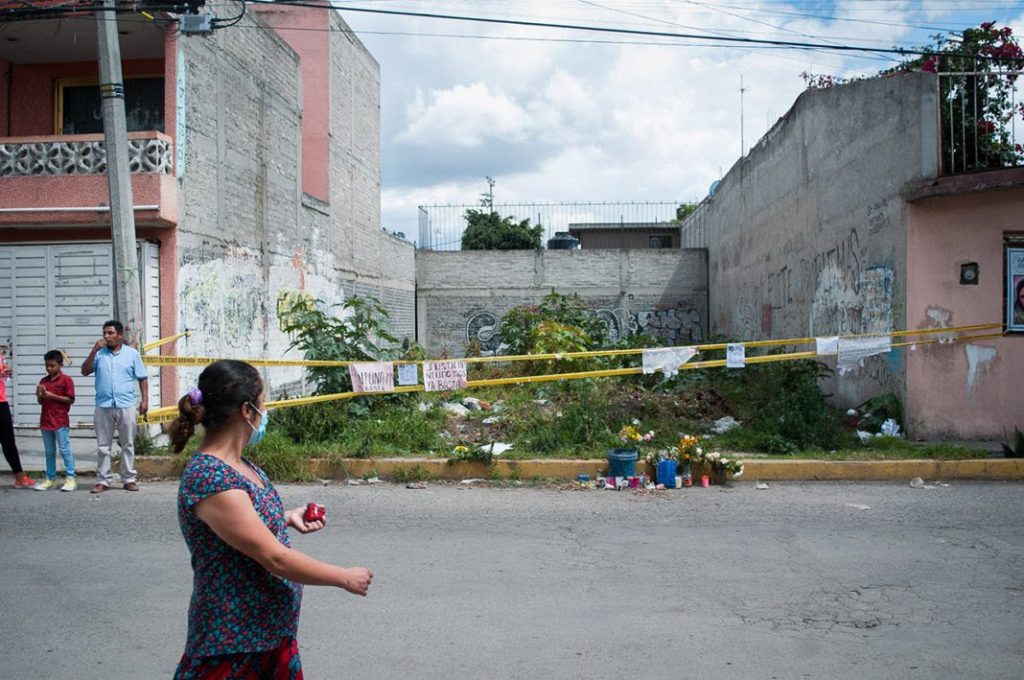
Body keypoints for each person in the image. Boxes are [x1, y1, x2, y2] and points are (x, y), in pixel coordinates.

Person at [169, 359, 372, 679]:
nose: (266, 412)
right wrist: (343, 577)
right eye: (264, 403)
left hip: (269, 637)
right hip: (233, 645)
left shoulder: (242, 465)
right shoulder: (209, 477)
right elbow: (274, 557)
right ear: (247, 411)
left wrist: (287, 517)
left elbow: (245, 522)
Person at [81, 320, 148, 493]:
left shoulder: (132, 354)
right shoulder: (99, 354)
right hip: (103, 405)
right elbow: (85, 371)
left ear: (119, 335)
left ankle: (129, 479)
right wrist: (94, 350)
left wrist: (145, 399)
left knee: (127, 443)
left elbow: (142, 377)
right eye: (105, 333)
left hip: (126, 404)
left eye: (110, 333)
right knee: (103, 445)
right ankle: (103, 480)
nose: (106, 337)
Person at [34, 350, 77, 492]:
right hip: (46, 420)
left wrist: (52, 396)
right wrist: (40, 394)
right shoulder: (43, 381)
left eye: (52, 365)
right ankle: (50, 479)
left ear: (60, 364)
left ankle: (71, 478)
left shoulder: (66, 380)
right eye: (46, 366)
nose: (49, 369)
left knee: (65, 450)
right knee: (49, 452)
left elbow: (70, 399)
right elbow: (41, 401)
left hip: (60, 420)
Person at [1, 350, 34, 488]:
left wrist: (6, 373)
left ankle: (20, 477)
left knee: (8, 440)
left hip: (1, 401)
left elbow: (3, 374)